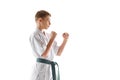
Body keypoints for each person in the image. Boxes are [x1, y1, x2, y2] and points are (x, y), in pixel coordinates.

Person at [29, 10, 69, 80]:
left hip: (49, 70)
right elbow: (44, 54)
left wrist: (65, 40)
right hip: (40, 70)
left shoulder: (47, 35)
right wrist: (52, 38)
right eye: (48, 20)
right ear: (40, 20)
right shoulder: (34, 35)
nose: (50, 23)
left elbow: (58, 52)